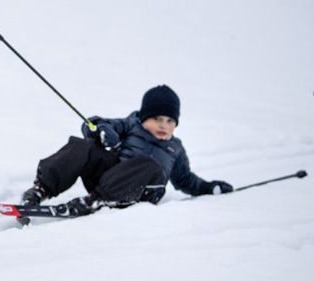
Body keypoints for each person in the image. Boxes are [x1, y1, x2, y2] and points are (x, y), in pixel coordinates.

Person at [20, 85, 233, 216]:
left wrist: (208, 187)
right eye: (157, 118)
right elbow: (92, 124)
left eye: (170, 121)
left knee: (149, 164)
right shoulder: (131, 125)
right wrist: (102, 131)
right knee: (84, 146)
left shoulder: (174, 148)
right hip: (109, 182)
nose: (163, 125)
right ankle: (42, 189)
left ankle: (95, 202)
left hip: (142, 191)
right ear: (144, 117)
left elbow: (185, 180)